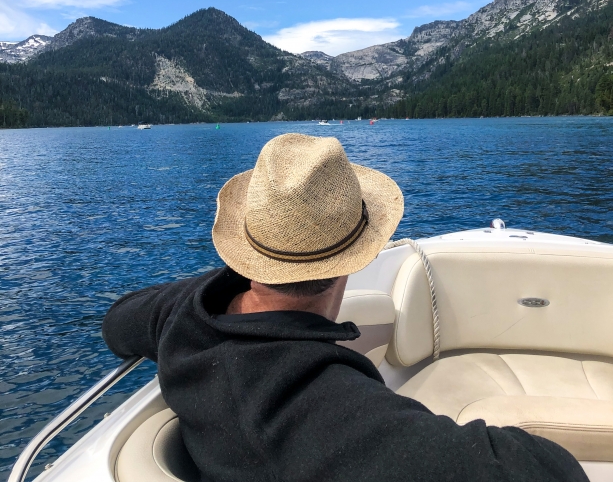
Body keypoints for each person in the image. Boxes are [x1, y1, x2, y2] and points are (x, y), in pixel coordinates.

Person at [102, 133, 587, 482]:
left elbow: (117, 324)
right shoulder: (325, 409)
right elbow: (552, 470)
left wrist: (218, 282)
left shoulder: (188, 311)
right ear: (355, 260)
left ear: (248, 250)